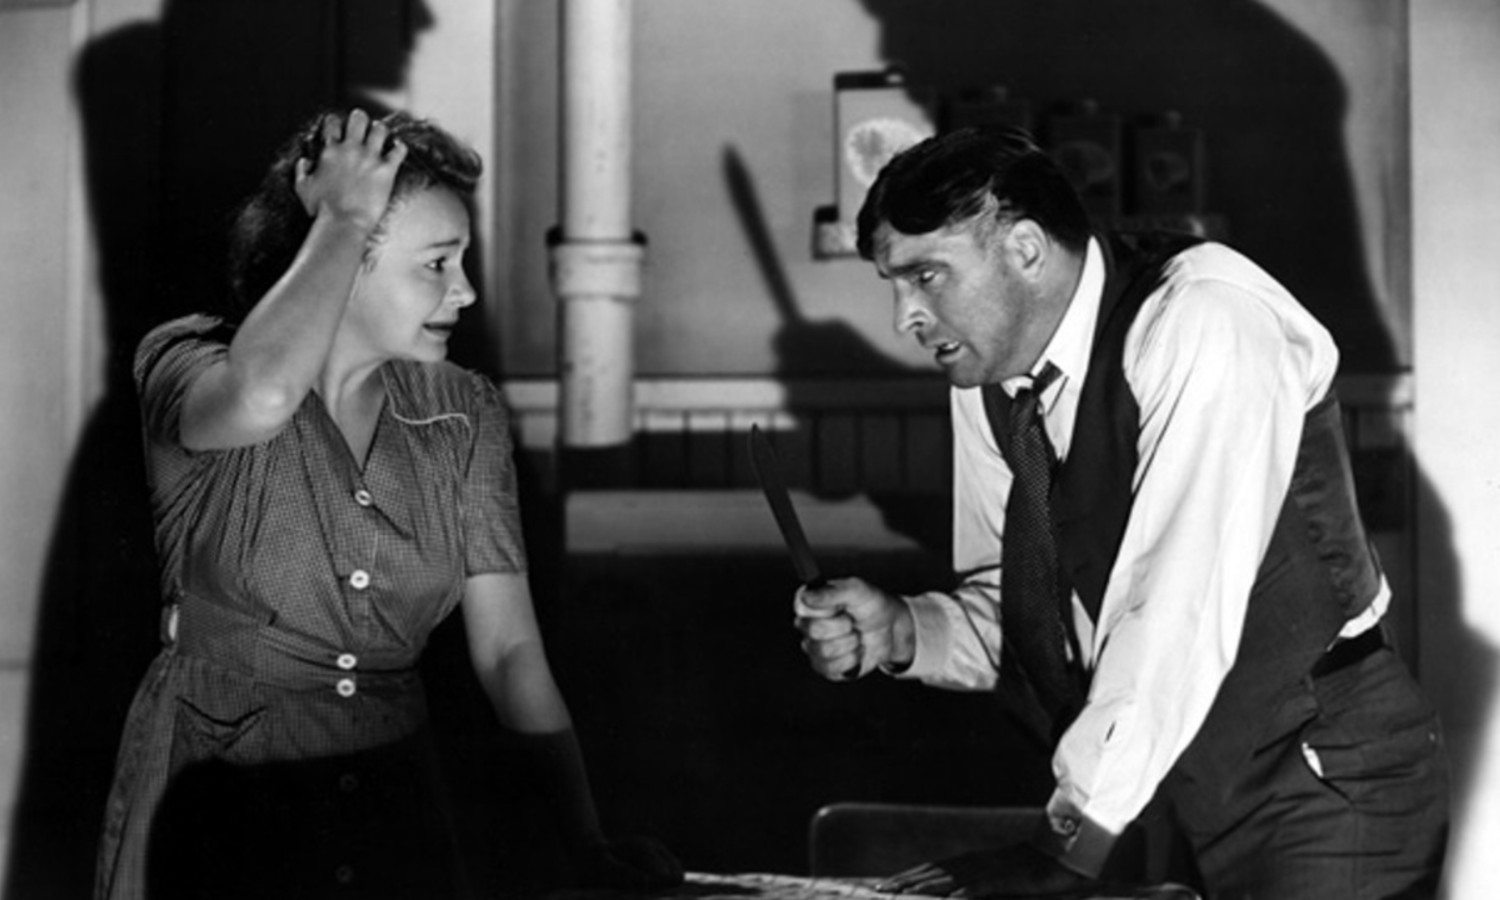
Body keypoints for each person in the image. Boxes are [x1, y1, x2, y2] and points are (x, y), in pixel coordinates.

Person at [794, 125, 1450, 899]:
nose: (904, 316)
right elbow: (1030, 612)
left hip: (1317, 771)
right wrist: (907, 630)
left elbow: (1174, 609)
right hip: (1155, 781)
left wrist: (1070, 843)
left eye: (926, 276)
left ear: (1026, 249)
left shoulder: (1205, 318)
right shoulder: (993, 376)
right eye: (893, 284)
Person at [94, 109, 681, 899]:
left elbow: (510, 653)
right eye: (437, 263)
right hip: (213, 799)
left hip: (389, 800)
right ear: (341, 259)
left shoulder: (462, 410)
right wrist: (343, 215)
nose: (465, 290)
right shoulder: (186, 359)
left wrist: (582, 842)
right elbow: (263, 396)